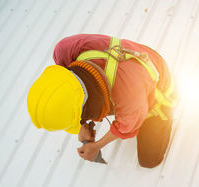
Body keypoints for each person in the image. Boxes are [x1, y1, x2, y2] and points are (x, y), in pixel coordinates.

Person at [27, 34, 177, 168]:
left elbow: (125, 127)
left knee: (149, 160)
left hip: (157, 80)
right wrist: (82, 124)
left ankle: (165, 115)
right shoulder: (64, 49)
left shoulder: (130, 98)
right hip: (135, 55)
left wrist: (97, 146)